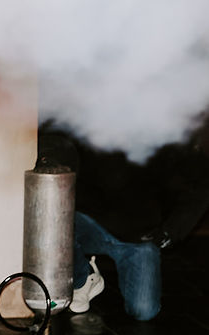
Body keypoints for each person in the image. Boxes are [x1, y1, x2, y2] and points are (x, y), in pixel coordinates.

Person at [39, 124, 209, 321]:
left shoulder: (165, 131)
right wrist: (48, 157)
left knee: (144, 310)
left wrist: (172, 231)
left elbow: (202, 184)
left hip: (137, 235)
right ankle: (82, 279)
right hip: (87, 222)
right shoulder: (89, 116)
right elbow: (54, 135)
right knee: (56, 220)